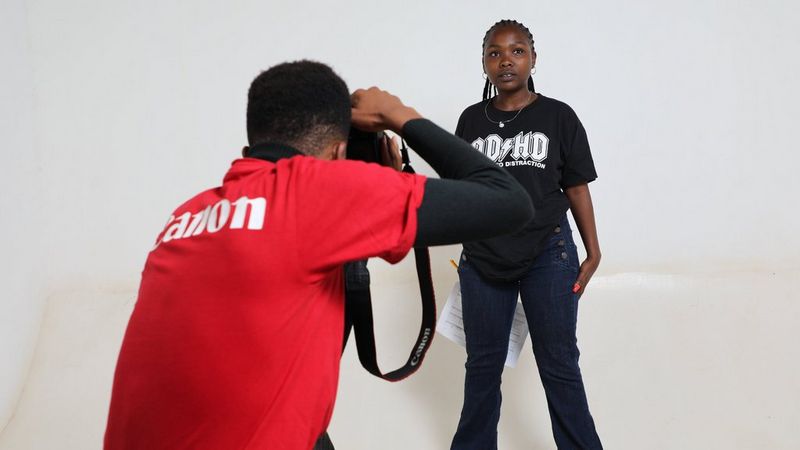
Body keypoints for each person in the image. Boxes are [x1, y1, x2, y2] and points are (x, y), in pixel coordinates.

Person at [103, 60, 534, 450]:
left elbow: (282, 349)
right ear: (337, 153)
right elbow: (509, 203)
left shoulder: (188, 215)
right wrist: (399, 116)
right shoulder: (313, 192)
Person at [450, 20, 604, 450]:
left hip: (547, 253)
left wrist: (592, 253)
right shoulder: (469, 120)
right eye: (494, 53)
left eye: (516, 51)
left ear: (533, 58)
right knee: (482, 366)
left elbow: (576, 186)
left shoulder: (558, 115)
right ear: (483, 63)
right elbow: (461, 190)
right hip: (483, 259)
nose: (505, 61)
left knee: (559, 365)